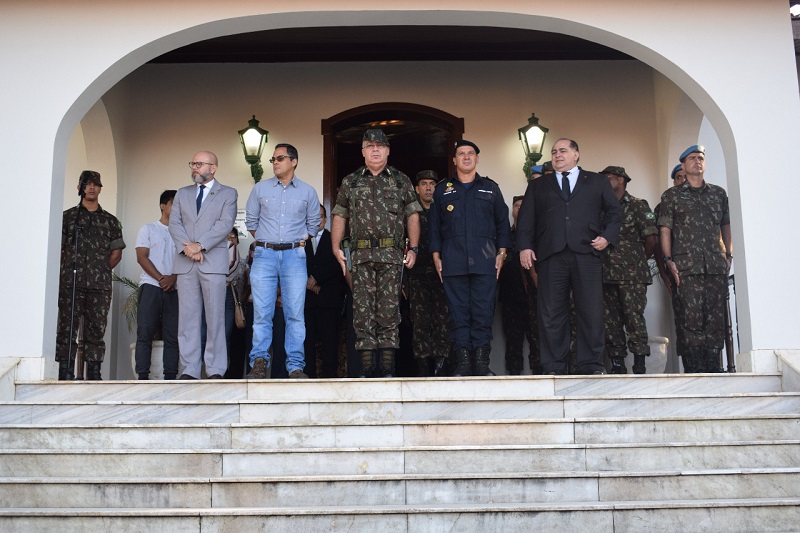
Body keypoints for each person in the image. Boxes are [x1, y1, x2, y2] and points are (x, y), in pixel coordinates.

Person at [517, 138, 622, 375]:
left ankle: (591, 365)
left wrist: (607, 237)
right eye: (554, 152)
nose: (557, 155)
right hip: (551, 255)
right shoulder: (538, 185)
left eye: (563, 151)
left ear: (576, 154)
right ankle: (554, 366)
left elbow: (615, 213)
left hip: (587, 253)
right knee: (551, 313)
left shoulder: (596, 181)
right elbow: (526, 219)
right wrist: (524, 246)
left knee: (591, 311)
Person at [331, 129, 421, 378]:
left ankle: (387, 368)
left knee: (389, 312)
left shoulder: (400, 180)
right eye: (370, 146)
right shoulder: (351, 181)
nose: (375, 150)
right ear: (362, 151)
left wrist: (413, 248)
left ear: (388, 151)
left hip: (391, 257)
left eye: (380, 146)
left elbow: (412, 214)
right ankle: (368, 368)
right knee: (362, 313)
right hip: (360, 257)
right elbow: (340, 214)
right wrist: (335, 247)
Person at [429, 140, 511, 376]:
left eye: (471, 154)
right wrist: (436, 255)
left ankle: (481, 363)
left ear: (477, 159)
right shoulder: (442, 189)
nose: (466, 157)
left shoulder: (491, 188)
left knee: (483, 312)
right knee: (458, 313)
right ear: (454, 160)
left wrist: (502, 253)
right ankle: (463, 363)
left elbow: (502, 223)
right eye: (461, 154)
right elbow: (434, 227)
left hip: (485, 263)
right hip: (453, 262)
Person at [245, 143, 320, 380]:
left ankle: (295, 367)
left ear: (294, 161)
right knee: (262, 312)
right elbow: (251, 223)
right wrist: (270, 244)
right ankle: (259, 363)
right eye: (273, 159)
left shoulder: (308, 192)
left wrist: (291, 244)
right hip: (265, 254)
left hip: (295, 256)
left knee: (295, 313)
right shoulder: (260, 189)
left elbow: (313, 226)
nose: (275, 163)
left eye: (280, 158)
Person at [658, 145, 732, 373]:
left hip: (714, 264)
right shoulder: (672, 196)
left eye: (700, 158)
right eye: (692, 158)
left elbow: (726, 225)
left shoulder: (718, 194)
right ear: (683, 165)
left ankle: (714, 366)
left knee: (715, 317)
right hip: (685, 266)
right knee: (689, 319)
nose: (697, 162)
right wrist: (668, 259)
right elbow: (665, 230)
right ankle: (693, 368)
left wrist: (729, 253)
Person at [169, 151, 238, 380]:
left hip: (212, 263)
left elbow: (225, 224)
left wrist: (200, 246)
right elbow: (175, 224)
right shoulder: (182, 193)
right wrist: (188, 249)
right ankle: (189, 369)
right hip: (186, 263)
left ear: (213, 167)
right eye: (193, 163)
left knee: (215, 317)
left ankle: (215, 369)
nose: (195, 167)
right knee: (187, 319)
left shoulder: (228, 193)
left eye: (199, 164)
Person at [56, 170, 125, 380]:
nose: (91, 187)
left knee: (96, 328)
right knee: (67, 328)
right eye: (87, 184)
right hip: (71, 283)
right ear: (79, 187)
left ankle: (94, 373)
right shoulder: (68, 217)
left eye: (95, 184)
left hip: (99, 285)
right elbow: (57, 250)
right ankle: (65, 371)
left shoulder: (111, 221)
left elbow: (116, 253)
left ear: (100, 188)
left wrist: (101, 270)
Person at [600, 166, 658, 374]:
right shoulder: (600, 207)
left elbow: (651, 239)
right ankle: (617, 363)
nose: (605, 182)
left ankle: (640, 362)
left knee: (634, 318)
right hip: (606, 274)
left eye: (609, 178)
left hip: (632, 275)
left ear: (621, 180)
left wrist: (636, 261)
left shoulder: (637, 205)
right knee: (610, 320)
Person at [408, 170, 450, 376]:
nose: (428, 188)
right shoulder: (410, 215)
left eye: (432, 184)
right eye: (423, 184)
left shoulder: (444, 212)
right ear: (417, 189)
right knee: (420, 322)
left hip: (441, 275)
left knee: (442, 320)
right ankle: (423, 367)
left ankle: (440, 366)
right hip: (417, 276)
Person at [134, 190, 178, 380]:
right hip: (151, 286)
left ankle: (170, 377)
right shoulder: (148, 229)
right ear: (163, 206)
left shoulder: (182, 233)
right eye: (174, 204)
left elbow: (185, 260)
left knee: (172, 336)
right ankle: (142, 377)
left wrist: (173, 278)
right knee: (145, 333)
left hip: (174, 289)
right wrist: (162, 278)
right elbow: (141, 257)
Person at [304, 204, 347, 378]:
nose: (318, 220)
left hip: (328, 301)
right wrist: (308, 280)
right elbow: (296, 263)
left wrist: (317, 279)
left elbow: (338, 265)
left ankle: (330, 379)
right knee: (307, 344)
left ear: (326, 219)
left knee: (330, 344)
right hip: (306, 302)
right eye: (314, 217)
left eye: (321, 216)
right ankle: (307, 379)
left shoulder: (334, 239)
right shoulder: (301, 240)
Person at [654, 164, 690, 368]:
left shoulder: (708, 198)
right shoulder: (665, 205)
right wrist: (665, 272)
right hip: (677, 271)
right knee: (683, 320)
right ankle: (688, 365)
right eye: (678, 177)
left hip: (703, 269)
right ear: (674, 181)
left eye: (685, 177)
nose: (683, 181)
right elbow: (658, 245)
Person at [498, 195, 535, 375]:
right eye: (517, 205)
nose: (520, 209)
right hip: (510, 297)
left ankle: (540, 374)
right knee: (513, 341)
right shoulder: (505, 236)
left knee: (538, 339)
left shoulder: (535, 235)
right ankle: (513, 376)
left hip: (534, 296)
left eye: (523, 206)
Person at [224, 228, 248, 379]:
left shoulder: (243, 263)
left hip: (239, 309)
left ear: (237, 240)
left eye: (233, 237)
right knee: (224, 339)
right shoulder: (218, 260)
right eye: (227, 237)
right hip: (223, 306)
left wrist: (241, 303)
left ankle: (236, 377)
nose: (230, 239)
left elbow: (248, 286)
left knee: (238, 346)